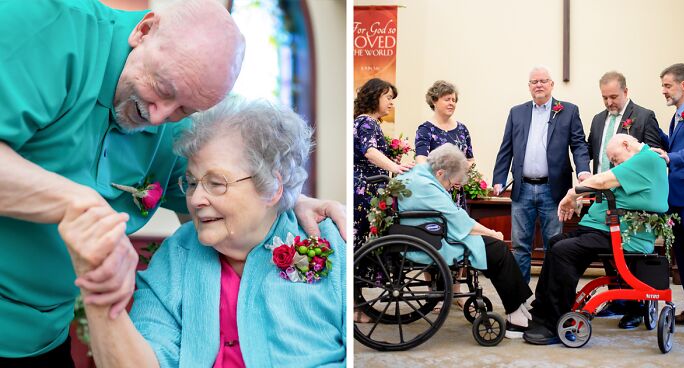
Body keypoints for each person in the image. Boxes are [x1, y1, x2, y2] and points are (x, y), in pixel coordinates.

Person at [0, 0, 344, 364]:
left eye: (184, 109)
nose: (158, 116)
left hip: (40, 339)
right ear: (144, 31)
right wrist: (77, 205)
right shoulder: (46, 22)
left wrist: (286, 199)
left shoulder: (175, 133)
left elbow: (226, 196)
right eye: (162, 87)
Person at [59, 98, 346, 367]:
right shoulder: (177, 257)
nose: (196, 200)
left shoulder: (330, 242)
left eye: (216, 183)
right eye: (192, 183)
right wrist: (99, 288)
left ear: (272, 186)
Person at [524, 134, 669, 345]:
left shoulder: (646, 159)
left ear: (627, 145)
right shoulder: (640, 161)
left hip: (624, 236)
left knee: (563, 251)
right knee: (556, 242)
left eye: (616, 158)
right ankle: (543, 310)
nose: (615, 163)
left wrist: (572, 194)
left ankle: (554, 322)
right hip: (606, 229)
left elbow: (602, 180)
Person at [398, 144, 533, 339]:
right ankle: (516, 312)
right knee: (498, 250)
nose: (452, 187)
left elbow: (455, 217)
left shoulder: (420, 174)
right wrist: (493, 232)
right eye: (451, 183)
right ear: (441, 172)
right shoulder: (427, 186)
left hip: (428, 232)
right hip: (431, 240)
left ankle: (518, 306)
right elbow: (460, 220)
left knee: (495, 249)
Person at [492, 66, 590, 282]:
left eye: (543, 81)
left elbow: (579, 145)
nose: (538, 85)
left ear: (551, 84)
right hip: (522, 189)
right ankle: (520, 299)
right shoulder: (516, 112)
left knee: (554, 246)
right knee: (519, 246)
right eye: (534, 81)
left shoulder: (568, 110)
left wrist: (583, 171)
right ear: (529, 86)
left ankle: (548, 298)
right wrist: (498, 179)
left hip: (553, 191)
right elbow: (506, 148)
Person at [587, 71, 665, 328]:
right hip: (604, 194)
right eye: (604, 97)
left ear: (626, 92)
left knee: (627, 254)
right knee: (610, 254)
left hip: (630, 199)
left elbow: (650, 157)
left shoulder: (643, 116)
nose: (609, 102)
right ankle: (618, 300)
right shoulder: (599, 120)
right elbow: (593, 153)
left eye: (613, 96)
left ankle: (636, 306)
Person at [414, 80, 476, 311]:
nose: (452, 103)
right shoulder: (426, 129)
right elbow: (421, 160)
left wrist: (461, 172)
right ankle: (435, 292)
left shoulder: (461, 129)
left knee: (460, 237)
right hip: (435, 193)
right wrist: (440, 178)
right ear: (434, 100)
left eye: (454, 100)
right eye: (447, 99)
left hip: (457, 193)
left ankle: (458, 289)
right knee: (434, 239)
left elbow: (470, 158)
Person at [650, 63, 684, 340]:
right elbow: (678, 146)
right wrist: (658, 136)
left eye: (667, 85)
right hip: (677, 198)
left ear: (683, 85)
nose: (663, 91)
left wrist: (672, 157)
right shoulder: (678, 116)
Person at [353, 78, 413, 244]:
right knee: (364, 237)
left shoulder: (363, 121)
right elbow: (370, 152)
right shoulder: (367, 122)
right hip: (365, 188)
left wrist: (392, 160)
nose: (391, 103)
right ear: (374, 97)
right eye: (388, 98)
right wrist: (396, 167)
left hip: (364, 184)